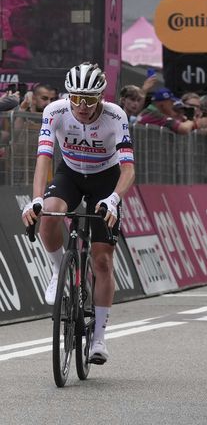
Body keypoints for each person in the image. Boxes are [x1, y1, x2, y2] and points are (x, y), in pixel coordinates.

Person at [20, 62, 135, 365]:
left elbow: (128, 169)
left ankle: (99, 338)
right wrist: (35, 199)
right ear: (67, 95)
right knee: (49, 214)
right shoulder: (55, 111)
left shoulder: (115, 116)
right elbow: (44, 158)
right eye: (75, 98)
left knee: (101, 260)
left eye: (90, 99)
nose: (82, 106)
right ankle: (59, 270)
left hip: (105, 179)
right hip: (69, 173)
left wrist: (113, 200)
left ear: (101, 97)